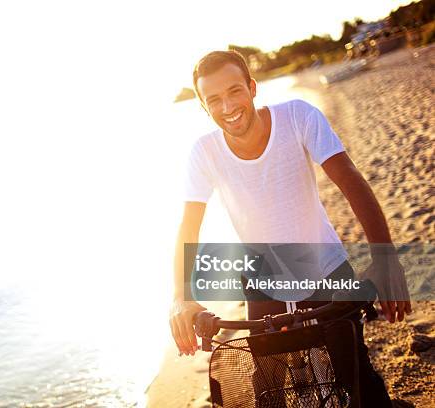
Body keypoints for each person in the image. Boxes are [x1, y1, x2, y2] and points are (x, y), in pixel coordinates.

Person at [169, 50, 412, 407]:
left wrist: (385, 258)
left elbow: (350, 181)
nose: (227, 106)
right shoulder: (204, 152)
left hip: (326, 271)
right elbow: (189, 227)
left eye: (235, 91)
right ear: (205, 107)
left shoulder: (298, 116)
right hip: (262, 283)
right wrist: (182, 297)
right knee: (268, 390)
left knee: (358, 381)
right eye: (214, 100)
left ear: (252, 88)